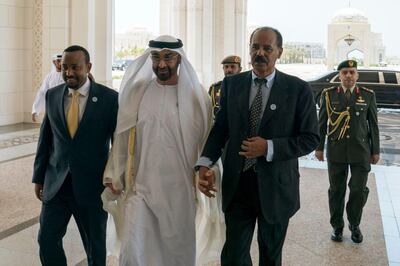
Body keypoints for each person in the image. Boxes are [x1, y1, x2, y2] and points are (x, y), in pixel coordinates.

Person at [197, 26, 319, 265]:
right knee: (233, 256)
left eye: (267, 48)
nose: (260, 53)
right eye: (255, 47)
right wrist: (204, 162)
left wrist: (269, 148)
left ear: (279, 52)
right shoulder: (232, 85)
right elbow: (221, 129)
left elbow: (310, 139)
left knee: (270, 256)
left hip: (276, 188)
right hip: (238, 185)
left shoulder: (298, 90)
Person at [102, 35, 213, 266]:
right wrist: (115, 172)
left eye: (168, 57)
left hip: (180, 192)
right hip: (141, 187)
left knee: (176, 254)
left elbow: (208, 142)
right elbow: (122, 137)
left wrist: (209, 173)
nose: (161, 64)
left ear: (179, 59)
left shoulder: (196, 96)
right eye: (156, 57)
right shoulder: (138, 92)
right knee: (133, 250)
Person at [32, 45, 118, 266]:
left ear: (88, 67)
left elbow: (118, 144)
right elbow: (45, 141)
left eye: (75, 67)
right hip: (56, 184)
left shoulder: (109, 99)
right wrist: (39, 177)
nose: (69, 72)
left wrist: (116, 176)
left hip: (92, 186)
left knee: (95, 247)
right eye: (66, 67)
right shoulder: (52, 96)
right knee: (47, 240)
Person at [315, 59, 380, 243]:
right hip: (336, 151)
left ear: (357, 75)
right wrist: (319, 147)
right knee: (336, 190)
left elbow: (373, 125)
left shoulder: (367, 95)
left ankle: (354, 224)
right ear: (339, 76)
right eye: (345, 72)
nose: (349, 76)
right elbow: (321, 124)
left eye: (352, 72)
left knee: (358, 190)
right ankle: (337, 226)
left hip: (361, 151)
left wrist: (375, 150)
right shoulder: (328, 95)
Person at [32, 54, 64, 122]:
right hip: (51, 108)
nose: (60, 63)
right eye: (58, 61)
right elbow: (42, 93)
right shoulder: (49, 77)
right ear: (54, 62)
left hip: (64, 108)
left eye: (62, 61)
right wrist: (35, 110)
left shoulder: (67, 75)